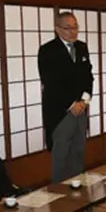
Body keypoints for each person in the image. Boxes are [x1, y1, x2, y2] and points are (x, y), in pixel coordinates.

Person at [38, 11, 94, 182]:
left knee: (78, 151)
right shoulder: (48, 50)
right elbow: (51, 83)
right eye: (68, 28)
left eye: (75, 27)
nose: (73, 31)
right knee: (61, 154)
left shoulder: (82, 47)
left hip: (81, 108)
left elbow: (88, 77)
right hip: (60, 111)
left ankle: (78, 191)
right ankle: (60, 197)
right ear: (57, 29)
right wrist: (71, 104)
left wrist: (84, 100)